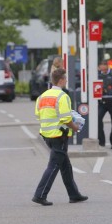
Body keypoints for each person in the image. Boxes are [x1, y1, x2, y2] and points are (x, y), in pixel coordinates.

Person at [32, 68, 88, 206]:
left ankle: (74, 194)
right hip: (59, 135)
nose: (67, 81)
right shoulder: (62, 96)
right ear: (61, 80)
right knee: (54, 166)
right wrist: (75, 128)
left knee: (65, 166)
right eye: (66, 78)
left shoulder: (43, 96)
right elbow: (66, 119)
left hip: (47, 135)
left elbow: (38, 114)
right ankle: (40, 195)